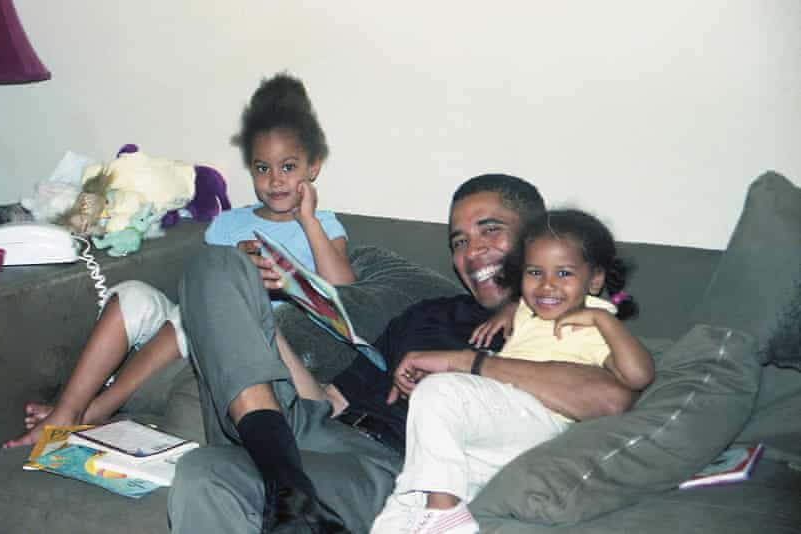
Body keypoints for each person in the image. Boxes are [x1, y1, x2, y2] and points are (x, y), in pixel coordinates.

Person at [168, 175, 643, 533]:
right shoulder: (427, 313)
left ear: (538, 239)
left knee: (203, 474)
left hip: (385, 467)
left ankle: (285, 484)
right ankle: (284, 479)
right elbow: (332, 400)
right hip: (314, 432)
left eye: (490, 231)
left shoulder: (562, 321)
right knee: (218, 265)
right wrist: (266, 324)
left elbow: (609, 399)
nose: (473, 252)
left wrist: (466, 363)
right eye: (459, 241)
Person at [2, 72, 355, 449]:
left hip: (261, 345)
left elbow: (346, 291)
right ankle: (67, 410)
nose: (275, 180)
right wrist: (235, 264)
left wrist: (308, 221)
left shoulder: (322, 224)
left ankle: (92, 411)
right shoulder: (229, 223)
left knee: (198, 313)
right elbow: (202, 286)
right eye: (262, 168)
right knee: (133, 295)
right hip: (193, 332)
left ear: (312, 168)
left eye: (289, 167)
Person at [371, 209, 655, 533]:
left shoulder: (596, 321)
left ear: (595, 280)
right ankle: (438, 517)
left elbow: (639, 376)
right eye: (535, 272)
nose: (547, 285)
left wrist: (604, 321)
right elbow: (523, 305)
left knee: (439, 390)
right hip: (505, 429)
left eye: (563, 274)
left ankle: (444, 510)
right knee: (408, 497)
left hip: (542, 416)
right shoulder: (524, 312)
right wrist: (508, 311)